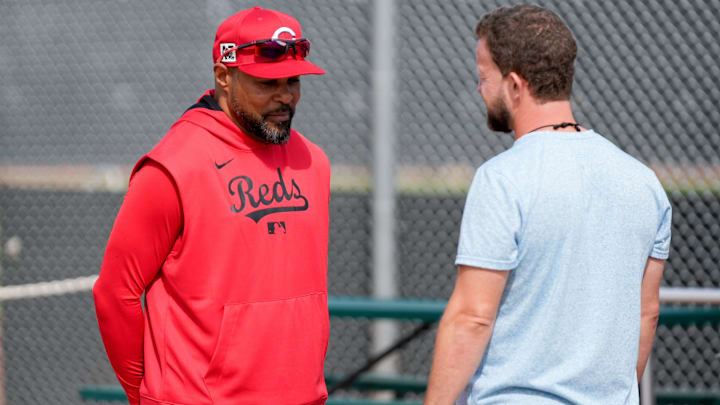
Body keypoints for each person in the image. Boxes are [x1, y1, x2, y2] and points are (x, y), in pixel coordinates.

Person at [424, 5, 671, 405]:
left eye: (484, 77)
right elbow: (647, 314)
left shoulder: (502, 179)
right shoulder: (644, 181)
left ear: (516, 85)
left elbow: (473, 316)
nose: (479, 89)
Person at [93, 7, 330, 405]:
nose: (285, 96)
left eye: (293, 81)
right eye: (266, 83)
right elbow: (116, 294)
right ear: (224, 76)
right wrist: (144, 396)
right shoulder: (173, 165)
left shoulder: (314, 162)